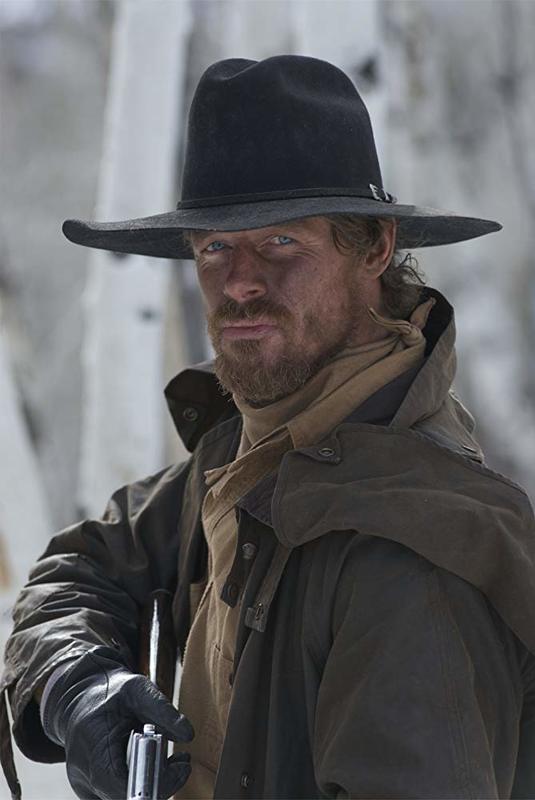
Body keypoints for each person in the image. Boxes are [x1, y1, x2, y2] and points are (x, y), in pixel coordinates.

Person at [1, 54, 535, 800]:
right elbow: (82, 567)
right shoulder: (246, 453)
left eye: (281, 241)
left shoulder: (413, 556)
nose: (241, 282)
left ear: (375, 247)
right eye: (215, 247)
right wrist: (77, 684)